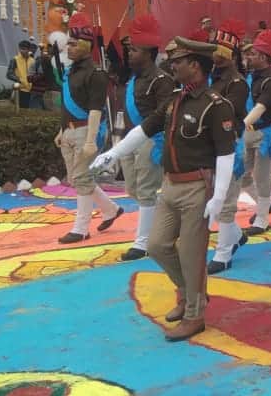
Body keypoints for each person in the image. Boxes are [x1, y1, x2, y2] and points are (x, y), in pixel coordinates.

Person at [90, 36, 238, 341]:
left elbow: (226, 154)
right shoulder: (175, 99)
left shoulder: (216, 106)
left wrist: (219, 197)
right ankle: (187, 291)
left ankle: (194, 314)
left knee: (191, 252)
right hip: (171, 185)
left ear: (195, 66)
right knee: (157, 245)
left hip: (198, 185)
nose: (172, 66)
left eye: (179, 62)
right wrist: (113, 153)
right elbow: (144, 129)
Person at [56, 12, 125, 244]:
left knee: (81, 178)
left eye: (74, 44)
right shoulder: (70, 72)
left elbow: (96, 109)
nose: (69, 47)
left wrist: (90, 140)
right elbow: (67, 103)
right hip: (69, 130)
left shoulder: (96, 74)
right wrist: (61, 130)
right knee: (78, 179)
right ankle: (111, 209)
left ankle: (81, 227)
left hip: (87, 130)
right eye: (69, 43)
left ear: (86, 45)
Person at [118, 15, 176, 261]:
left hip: (150, 140)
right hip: (129, 139)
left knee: (145, 190)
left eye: (135, 50)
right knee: (132, 188)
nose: (130, 54)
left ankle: (143, 243)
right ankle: (158, 227)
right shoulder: (133, 79)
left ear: (150, 53)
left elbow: (163, 116)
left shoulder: (162, 81)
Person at [206, 19, 251, 274]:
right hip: (213, 145)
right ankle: (234, 236)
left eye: (221, 51)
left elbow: (228, 111)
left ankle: (223, 254)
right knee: (216, 196)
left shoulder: (237, 84)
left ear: (232, 55)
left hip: (231, 144)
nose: (216, 55)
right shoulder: (214, 79)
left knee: (225, 201)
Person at [239, 30, 271, 237]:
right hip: (248, 131)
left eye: (253, 54)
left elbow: (260, 108)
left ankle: (262, 220)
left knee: (261, 176)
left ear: (263, 57)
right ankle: (263, 205)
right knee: (241, 174)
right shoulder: (250, 77)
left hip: (266, 132)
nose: (248, 57)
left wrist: (239, 126)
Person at [8, 40, 35, 108]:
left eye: (24, 49)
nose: (22, 51)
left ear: (29, 49)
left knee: (29, 112)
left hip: (31, 90)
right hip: (20, 90)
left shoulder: (33, 61)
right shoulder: (14, 60)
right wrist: (20, 80)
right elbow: (9, 74)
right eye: (21, 48)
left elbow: (35, 74)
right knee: (19, 111)